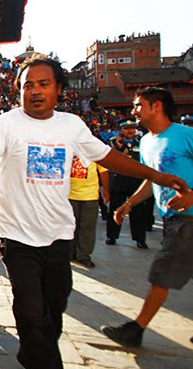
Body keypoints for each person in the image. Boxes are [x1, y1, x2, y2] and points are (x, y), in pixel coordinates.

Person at [0, 56, 185, 369]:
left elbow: (108, 157)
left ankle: (33, 353)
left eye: (43, 84)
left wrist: (155, 175)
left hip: (59, 238)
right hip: (17, 240)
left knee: (52, 313)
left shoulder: (72, 126)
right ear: (18, 89)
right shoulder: (5, 125)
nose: (34, 91)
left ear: (58, 89)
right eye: (27, 85)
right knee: (31, 313)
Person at [102, 87, 193, 347]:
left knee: (160, 273)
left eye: (139, 105)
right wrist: (129, 203)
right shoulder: (146, 141)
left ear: (157, 106)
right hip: (171, 219)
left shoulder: (186, 136)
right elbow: (152, 180)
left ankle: (136, 329)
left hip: (188, 219)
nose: (134, 111)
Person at [106, 120, 151, 248]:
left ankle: (140, 239)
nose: (129, 131)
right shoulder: (113, 142)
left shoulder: (142, 142)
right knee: (115, 209)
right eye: (126, 128)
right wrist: (119, 148)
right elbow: (110, 159)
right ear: (120, 130)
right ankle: (112, 236)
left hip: (136, 181)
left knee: (138, 212)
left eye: (131, 128)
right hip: (119, 181)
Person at [69, 157, 108, 268]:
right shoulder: (69, 145)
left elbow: (103, 170)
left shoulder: (94, 148)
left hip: (90, 196)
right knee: (71, 226)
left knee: (87, 227)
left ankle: (84, 256)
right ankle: (70, 252)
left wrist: (106, 189)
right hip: (69, 194)